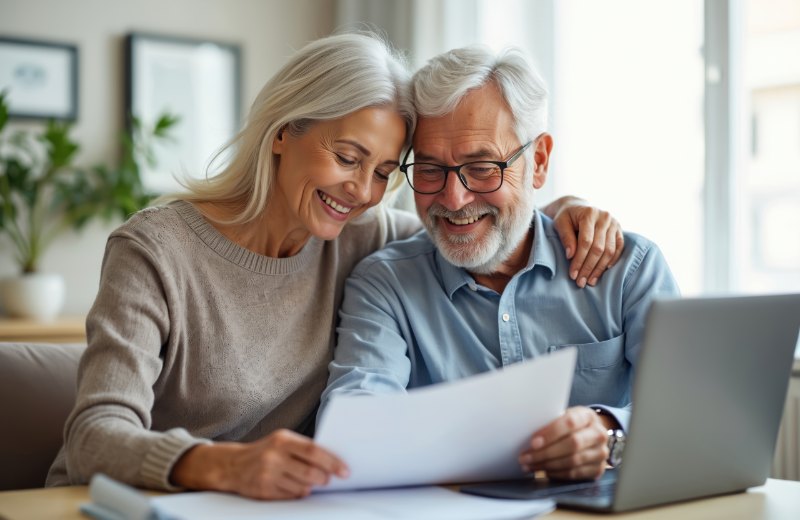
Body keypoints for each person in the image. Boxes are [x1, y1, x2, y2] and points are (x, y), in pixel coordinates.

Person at [46, 33, 624, 500]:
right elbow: (94, 436)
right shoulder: (156, 249)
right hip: (137, 504)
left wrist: (560, 210)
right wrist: (224, 467)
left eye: (383, 172)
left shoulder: (362, 236)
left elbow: (466, 218)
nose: (362, 191)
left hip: (275, 507)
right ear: (281, 134)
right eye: (347, 157)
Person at [319, 45, 680, 482]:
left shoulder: (628, 269)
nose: (454, 200)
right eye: (431, 170)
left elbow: (690, 411)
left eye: (483, 167)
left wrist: (608, 434)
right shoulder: (386, 285)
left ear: (539, 162)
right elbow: (353, 430)